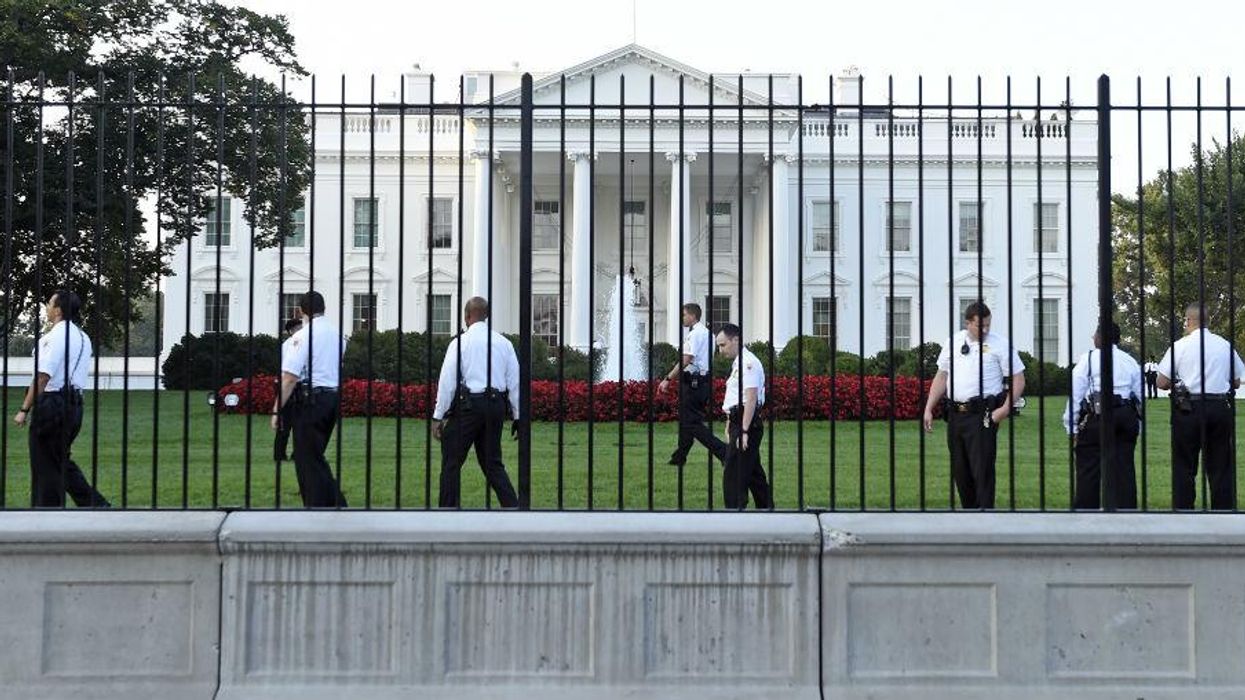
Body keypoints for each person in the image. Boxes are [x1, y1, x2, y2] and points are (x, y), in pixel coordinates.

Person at [923, 301, 1026, 510]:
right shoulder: (953, 342)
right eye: (981, 325)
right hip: (955, 414)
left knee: (982, 469)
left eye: (988, 325)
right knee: (960, 470)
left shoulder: (999, 344)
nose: (986, 330)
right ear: (968, 322)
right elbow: (942, 376)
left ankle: (985, 514)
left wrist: (1004, 409)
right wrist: (928, 407)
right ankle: (968, 513)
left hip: (984, 415)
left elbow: (1019, 378)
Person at [12, 290, 110, 508]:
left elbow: (43, 376)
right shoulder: (83, 338)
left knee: (44, 463)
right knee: (60, 461)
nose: (46, 307)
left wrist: (24, 409)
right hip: (75, 406)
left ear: (58, 310)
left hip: (53, 404)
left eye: (49, 303)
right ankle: (96, 504)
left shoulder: (55, 337)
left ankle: (48, 512)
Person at [431, 296, 520, 509]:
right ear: (486, 316)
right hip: (496, 405)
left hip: (469, 405)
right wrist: (518, 415)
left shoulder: (460, 343)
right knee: (492, 463)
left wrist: (438, 415)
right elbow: (515, 382)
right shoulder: (503, 343)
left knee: (452, 461)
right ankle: (513, 507)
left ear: (466, 317)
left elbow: (448, 381)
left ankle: (448, 509)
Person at [1156, 302, 1245, 510]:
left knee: (1184, 464)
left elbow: (1161, 382)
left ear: (1188, 321)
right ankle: (1223, 511)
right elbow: (1236, 380)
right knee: (1220, 465)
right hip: (1218, 406)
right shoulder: (1224, 345)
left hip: (1188, 408)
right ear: (1208, 321)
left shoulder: (1180, 345)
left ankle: (1184, 509)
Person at [273, 291, 349, 507]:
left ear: (301, 311)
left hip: (311, 401)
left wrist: (277, 409)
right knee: (313, 455)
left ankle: (323, 504)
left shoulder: (303, 336)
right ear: (323, 308)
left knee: (307, 458)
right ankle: (329, 503)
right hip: (332, 399)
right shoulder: (337, 335)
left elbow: (289, 378)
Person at [1062, 321, 1142, 509]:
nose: (1093, 338)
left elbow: (1076, 394)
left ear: (1099, 337)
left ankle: (1086, 510)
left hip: (1097, 414)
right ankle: (1126, 512)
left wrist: (1071, 426)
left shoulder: (1088, 359)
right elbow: (1139, 396)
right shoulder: (1129, 361)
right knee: (1124, 468)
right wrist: (1139, 424)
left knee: (1088, 467)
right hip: (1124, 415)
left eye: (1095, 334)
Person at [658, 303, 727, 466]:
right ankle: (679, 457)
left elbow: (686, 359)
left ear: (692, 316)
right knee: (686, 420)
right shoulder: (709, 334)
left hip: (693, 383)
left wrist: (668, 379)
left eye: (684, 315)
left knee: (692, 423)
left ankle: (723, 451)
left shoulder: (695, 335)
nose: (682, 318)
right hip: (703, 382)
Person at [715, 323, 772, 510]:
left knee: (733, 474)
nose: (720, 350)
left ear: (736, 340)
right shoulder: (739, 362)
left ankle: (735, 516)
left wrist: (744, 430)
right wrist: (729, 423)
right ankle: (768, 510)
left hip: (746, 423)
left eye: (723, 345)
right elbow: (736, 398)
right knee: (754, 474)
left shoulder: (748, 363)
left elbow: (751, 397)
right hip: (739, 420)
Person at [271, 317, 303, 463]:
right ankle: (284, 454)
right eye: (298, 328)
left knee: (290, 423)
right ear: (291, 331)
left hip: (290, 384)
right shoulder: (290, 345)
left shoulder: (292, 343)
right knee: (288, 422)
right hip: (290, 384)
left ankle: (283, 454)